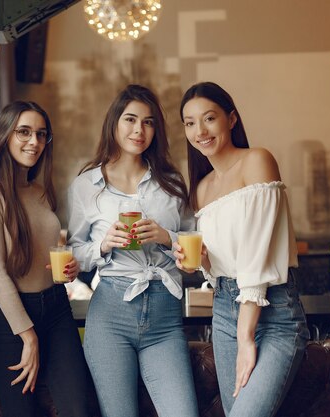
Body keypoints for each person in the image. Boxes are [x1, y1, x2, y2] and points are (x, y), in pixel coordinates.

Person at [176, 81, 309, 416]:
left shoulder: (257, 161)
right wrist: (201, 262)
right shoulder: (202, 188)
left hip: (274, 313)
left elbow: (255, 257)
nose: (200, 131)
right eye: (190, 123)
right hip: (224, 312)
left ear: (231, 119)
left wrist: (246, 336)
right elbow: (223, 264)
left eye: (209, 118)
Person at [67, 85, 199, 417]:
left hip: (165, 315)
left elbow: (196, 251)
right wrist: (103, 244)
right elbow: (73, 253)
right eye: (130, 119)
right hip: (110, 312)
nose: (139, 130)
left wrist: (166, 237)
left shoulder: (171, 183)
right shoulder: (86, 186)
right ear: (114, 123)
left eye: (149, 122)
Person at [0, 100, 90, 417]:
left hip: (56, 308)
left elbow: (48, 258)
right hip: (14, 320)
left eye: (41, 134)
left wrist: (70, 268)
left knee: (81, 409)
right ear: (4, 136)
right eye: (24, 132)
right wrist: (28, 336)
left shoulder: (39, 190)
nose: (34, 142)